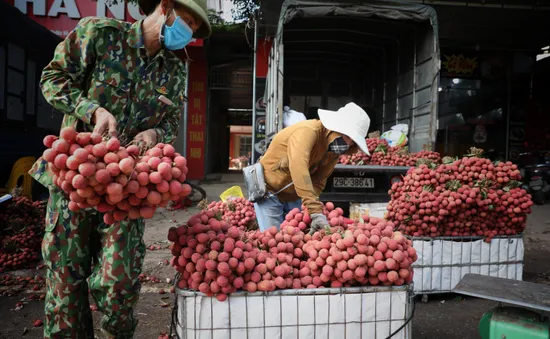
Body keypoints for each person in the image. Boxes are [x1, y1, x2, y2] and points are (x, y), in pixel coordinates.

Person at [28, 0, 211, 337]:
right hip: (78, 182)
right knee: (66, 277)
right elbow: (52, 79)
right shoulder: (99, 34)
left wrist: (155, 133)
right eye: (185, 22)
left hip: (127, 189)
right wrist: (92, 110)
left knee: (120, 283)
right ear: (165, 6)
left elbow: (171, 121)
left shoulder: (173, 70)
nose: (187, 33)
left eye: (194, 31)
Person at [254, 102, 371, 233]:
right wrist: (315, 211)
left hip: (294, 195)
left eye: (353, 142)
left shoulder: (333, 150)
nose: (348, 144)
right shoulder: (308, 132)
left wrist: (310, 206)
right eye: (348, 137)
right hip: (269, 191)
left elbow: (319, 180)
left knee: (295, 240)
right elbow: (299, 168)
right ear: (336, 128)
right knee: (273, 238)